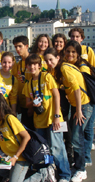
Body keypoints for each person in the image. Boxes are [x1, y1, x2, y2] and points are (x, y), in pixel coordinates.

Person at [23, 54, 71, 182]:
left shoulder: (46, 76)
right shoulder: (28, 83)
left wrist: (56, 116)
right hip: (39, 121)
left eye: (34, 64)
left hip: (53, 118)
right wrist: (33, 103)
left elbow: (56, 95)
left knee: (57, 147)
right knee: (44, 150)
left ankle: (65, 175)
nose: (32, 67)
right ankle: (49, 173)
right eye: (29, 65)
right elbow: (27, 103)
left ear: (39, 65)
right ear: (26, 67)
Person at [61, 40, 93, 182]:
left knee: (76, 138)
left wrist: (79, 110)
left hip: (83, 106)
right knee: (78, 136)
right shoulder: (75, 66)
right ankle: (80, 165)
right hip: (81, 105)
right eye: (68, 51)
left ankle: (81, 169)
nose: (70, 54)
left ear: (78, 53)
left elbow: (76, 89)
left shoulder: (66, 67)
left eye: (73, 52)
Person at [0, 92, 31, 182]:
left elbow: (27, 137)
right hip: (6, 157)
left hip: (20, 158)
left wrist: (15, 157)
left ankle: (41, 174)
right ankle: (10, 175)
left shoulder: (10, 118)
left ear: (1, 105)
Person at [44, 47, 74, 166]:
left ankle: (69, 158)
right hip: (58, 105)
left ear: (58, 58)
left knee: (65, 131)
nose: (49, 63)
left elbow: (73, 87)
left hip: (63, 105)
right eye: (46, 61)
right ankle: (64, 159)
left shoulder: (62, 68)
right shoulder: (51, 71)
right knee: (60, 134)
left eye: (51, 60)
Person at [11, 35, 35, 130]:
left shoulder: (33, 62)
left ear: (26, 46)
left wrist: (31, 107)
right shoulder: (18, 64)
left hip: (32, 104)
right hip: (22, 103)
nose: (17, 49)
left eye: (20, 46)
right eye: (16, 46)